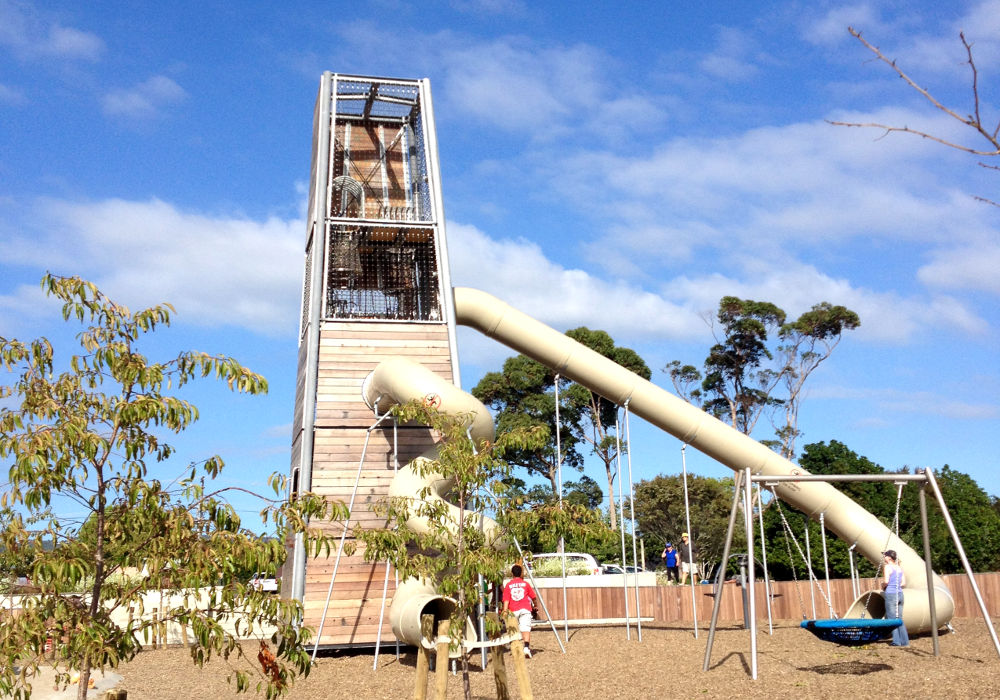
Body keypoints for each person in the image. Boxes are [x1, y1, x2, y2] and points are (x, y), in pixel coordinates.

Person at [502, 564, 538, 658]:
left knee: (513, 629)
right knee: (526, 628)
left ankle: (515, 648)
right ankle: (526, 647)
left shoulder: (509, 585)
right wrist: (535, 606)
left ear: (512, 573)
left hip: (513, 609)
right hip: (525, 608)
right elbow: (533, 597)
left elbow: (506, 599)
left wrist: (505, 611)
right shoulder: (525, 584)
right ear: (521, 573)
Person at [881, 550, 909, 647]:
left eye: (884, 556)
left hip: (891, 594)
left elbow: (886, 581)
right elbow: (903, 583)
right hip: (900, 594)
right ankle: (905, 642)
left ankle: (896, 642)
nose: (883, 558)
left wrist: (882, 585)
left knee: (892, 619)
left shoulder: (887, 567)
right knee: (899, 619)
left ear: (889, 557)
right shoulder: (899, 568)